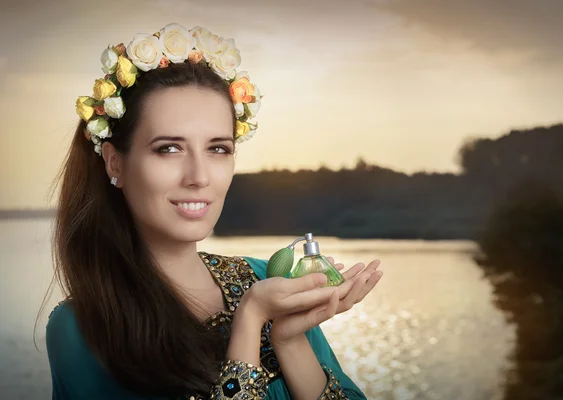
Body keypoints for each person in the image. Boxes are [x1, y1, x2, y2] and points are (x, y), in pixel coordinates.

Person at [45, 23, 383, 400]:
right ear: (115, 164)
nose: (199, 177)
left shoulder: (263, 278)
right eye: (169, 148)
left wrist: (290, 339)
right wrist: (250, 322)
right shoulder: (81, 327)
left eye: (218, 149)